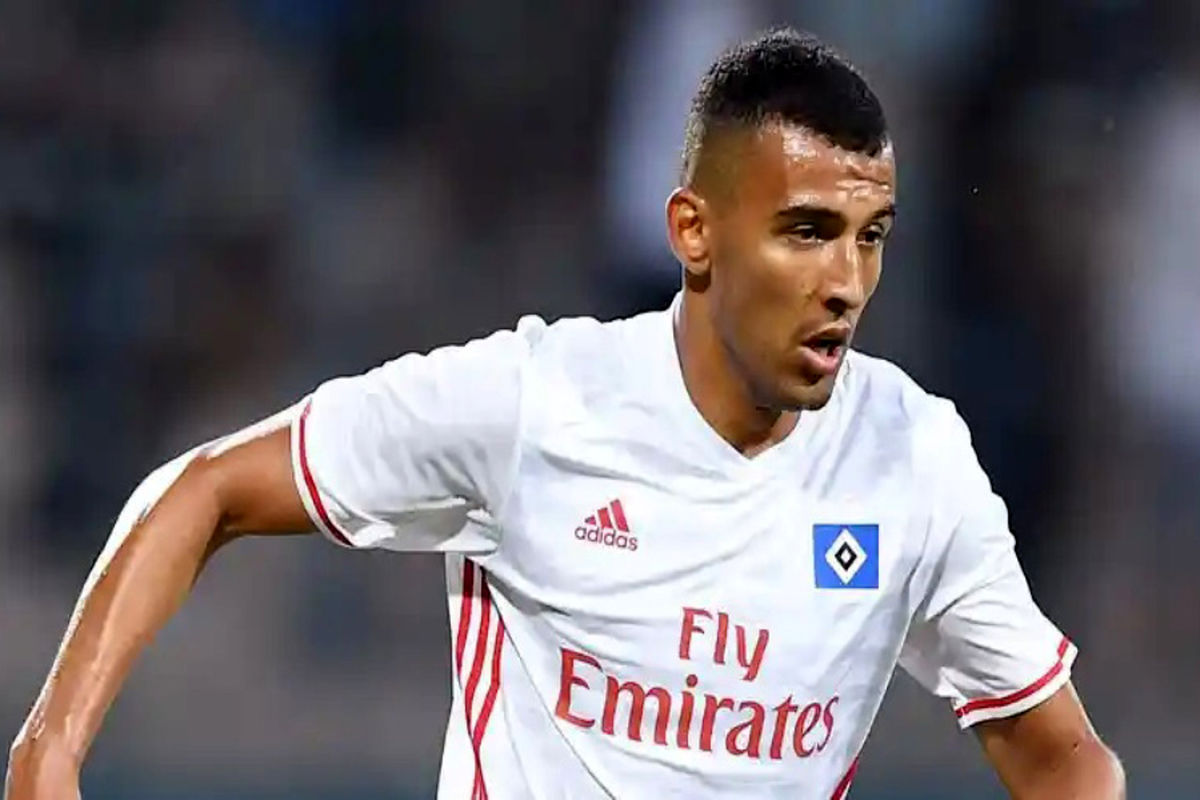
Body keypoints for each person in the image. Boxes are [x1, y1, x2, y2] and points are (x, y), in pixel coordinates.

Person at [5, 28, 1123, 800]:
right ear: (693, 232)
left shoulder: (912, 458)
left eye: (869, 237)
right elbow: (205, 487)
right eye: (805, 231)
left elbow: (1065, 756)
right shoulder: (536, 404)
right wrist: (48, 753)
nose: (846, 281)